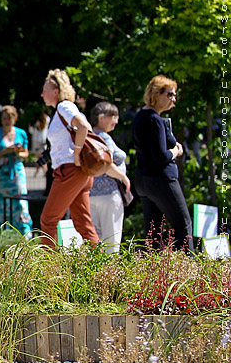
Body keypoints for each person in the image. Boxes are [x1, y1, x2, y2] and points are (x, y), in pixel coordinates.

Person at [38, 69, 126, 247]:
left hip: (69, 171)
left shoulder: (64, 106)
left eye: (45, 90)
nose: (42, 94)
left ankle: (49, 268)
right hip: (77, 173)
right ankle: (99, 267)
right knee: (84, 225)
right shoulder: (61, 110)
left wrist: (77, 153)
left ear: (56, 91)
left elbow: (84, 126)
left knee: (48, 221)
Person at [131, 75, 193, 252]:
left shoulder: (139, 117)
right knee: (183, 226)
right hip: (161, 180)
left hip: (143, 181)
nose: (173, 100)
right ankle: (189, 271)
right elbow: (161, 156)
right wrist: (176, 151)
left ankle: (151, 272)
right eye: (170, 95)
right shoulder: (155, 120)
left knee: (153, 232)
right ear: (156, 94)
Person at [88, 102, 131, 253]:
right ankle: (110, 275)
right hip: (109, 194)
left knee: (94, 242)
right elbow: (106, 164)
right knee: (111, 243)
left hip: (90, 194)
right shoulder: (104, 137)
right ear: (101, 118)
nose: (117, 121)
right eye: (113, 117)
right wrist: (123, 177)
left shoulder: (87, 137)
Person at [0, 105, 32, 238]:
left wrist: (17, 152)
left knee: (20, 203)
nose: (7, 121)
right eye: (4, 118)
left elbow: (26, 154)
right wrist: (5, 151)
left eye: (9, 118)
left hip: (16, 172)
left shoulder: (21, 133)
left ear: (15, 118)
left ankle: (24, 236)